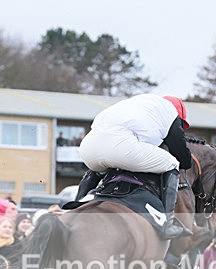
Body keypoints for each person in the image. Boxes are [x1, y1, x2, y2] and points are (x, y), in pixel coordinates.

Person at [74, 94, 193, 239]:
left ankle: (76, 205)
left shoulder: (136, 105)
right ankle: (167, 224)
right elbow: (182, 156)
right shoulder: (170, 113)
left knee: (98, 168)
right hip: (119, 147)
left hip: (88, 148)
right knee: (172, 163)